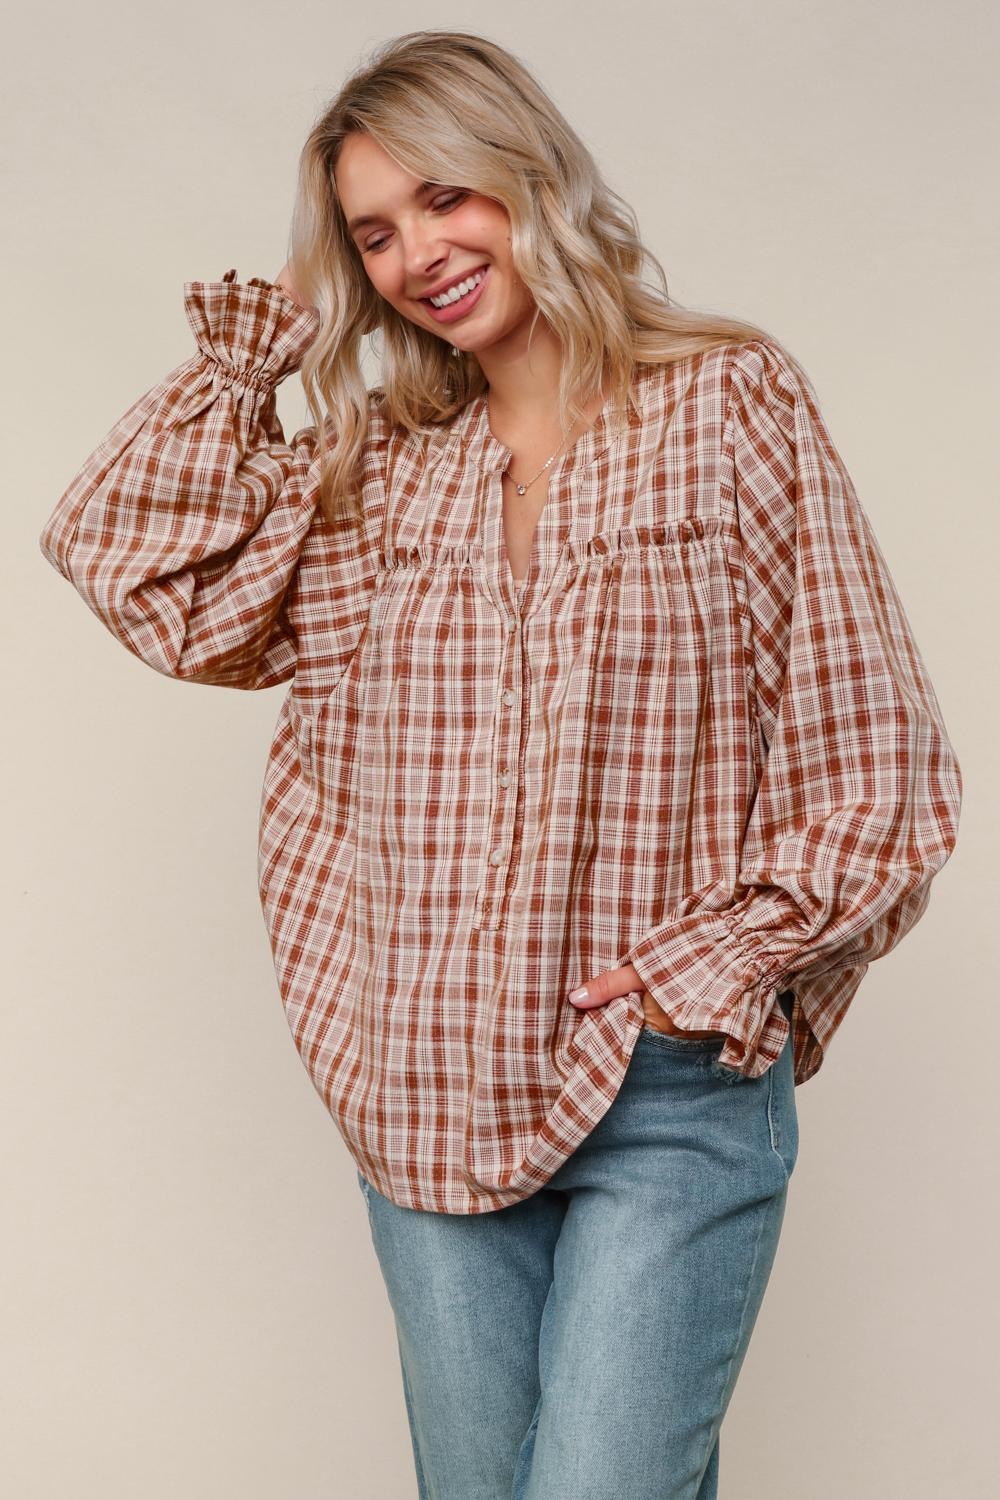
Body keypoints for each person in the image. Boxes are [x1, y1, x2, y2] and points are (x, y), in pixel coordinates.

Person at [38, 28, 963, 1500]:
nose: (418, 255)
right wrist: (266, 346)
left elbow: (876, 751)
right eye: (372, 234)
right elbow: (130, 563)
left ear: (529, 176)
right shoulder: (377, 469)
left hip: (668, 1087)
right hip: (426, 1083)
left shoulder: (730, 403)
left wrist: (707, 967)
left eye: (444, 196)